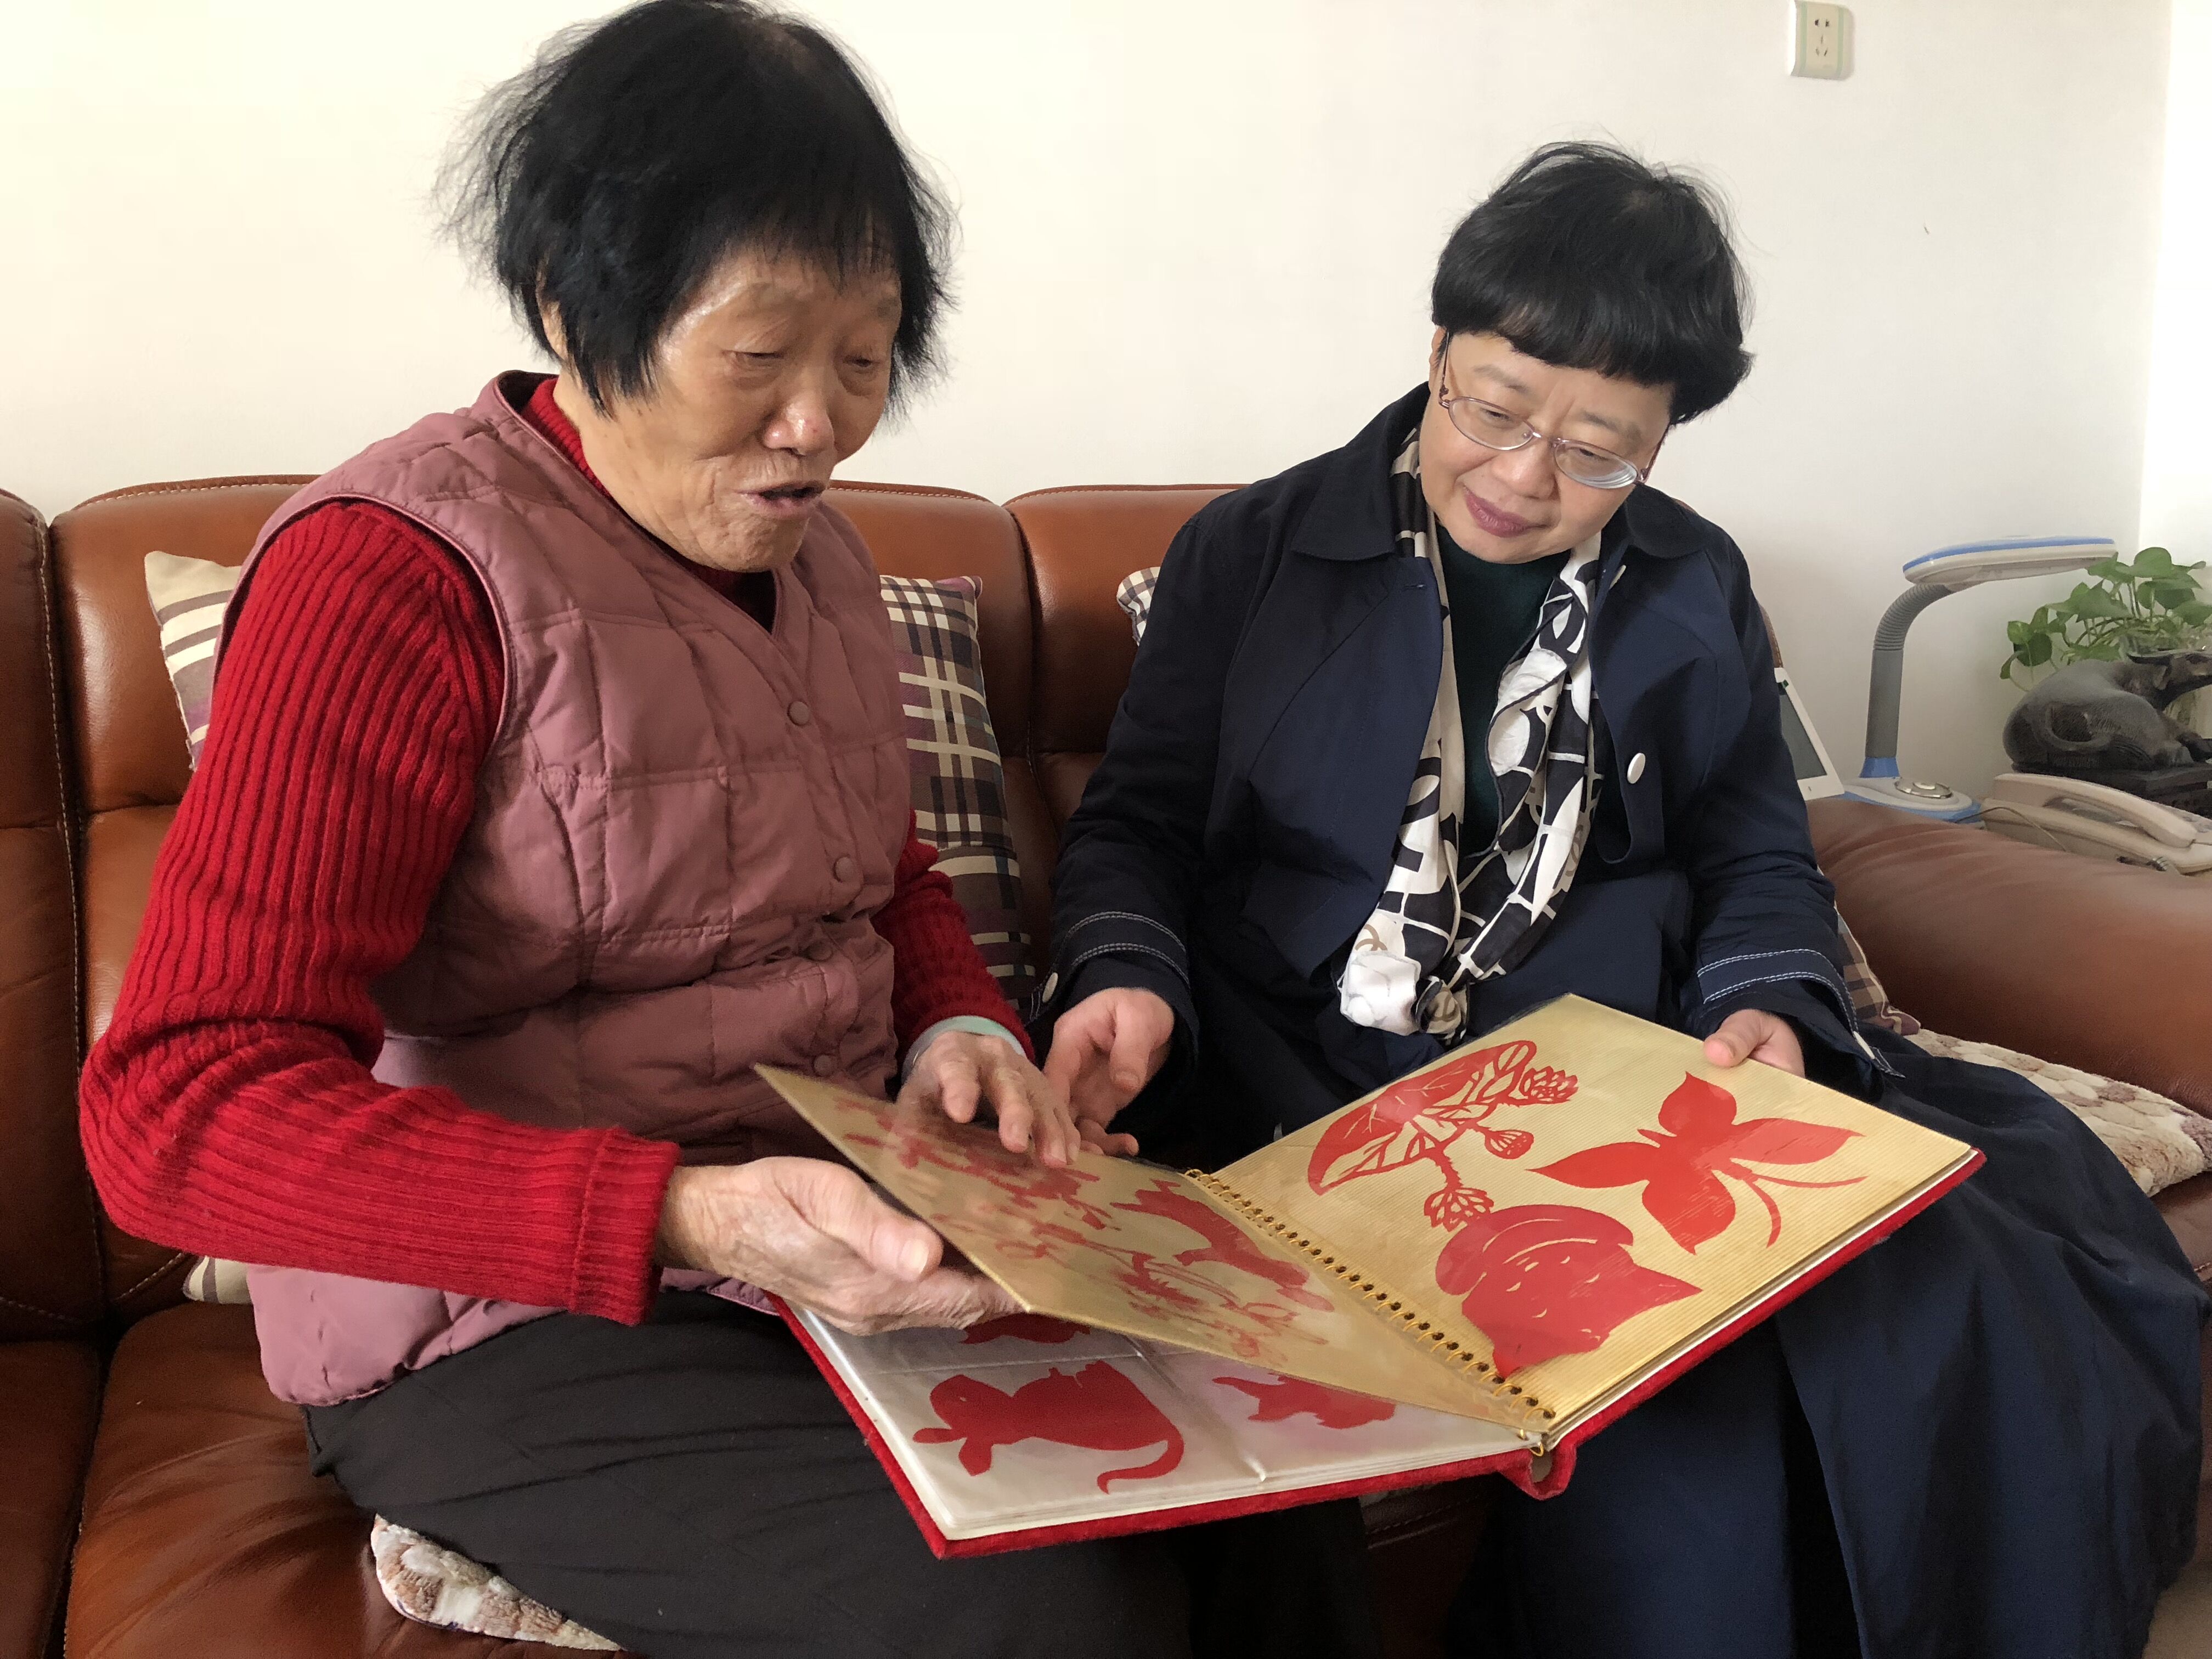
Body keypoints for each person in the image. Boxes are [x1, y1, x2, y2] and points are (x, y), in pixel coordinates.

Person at [77, 5, 1376, 1655]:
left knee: (1282, 1469)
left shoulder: (825, 563)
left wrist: (962, 1028)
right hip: (506, 1317)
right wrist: (684, 1215)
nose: (819, 426)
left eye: (865, 359)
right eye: (759, 357)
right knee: (1051, 1613)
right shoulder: (394, 576)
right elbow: (178, 1111)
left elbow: (878, 876)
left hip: (828, 1227)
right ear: (572, 307)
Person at [1042, 142, 2208, 1659]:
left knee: (1975, 1268)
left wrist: (1768, 998)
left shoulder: (1692, 576)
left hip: (1613, 1059)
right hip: (1319, 1067)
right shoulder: (1252, 553)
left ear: (1662, 441)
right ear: (1439, 354)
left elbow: (1753, 845)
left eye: (1600, 449)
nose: (1527, 477)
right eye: (1495, 408)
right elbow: (1134, 825)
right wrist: (1123, 975)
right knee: (1665, 1391)